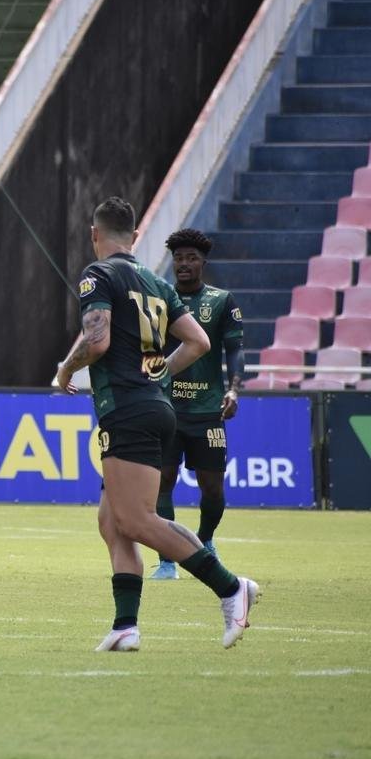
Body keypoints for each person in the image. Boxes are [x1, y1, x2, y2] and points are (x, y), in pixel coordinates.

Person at [56, 197, 260, 651]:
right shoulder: (157, 283)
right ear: (136, 237)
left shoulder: (99, 275)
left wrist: (67, 369)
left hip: (127, 406)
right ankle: (125, 625)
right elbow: (200, 341)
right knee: (113, 522)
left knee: (136, 518)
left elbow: (97, 340)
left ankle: (231, 588)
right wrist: (163, 371)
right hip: (154, 405)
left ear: (94, 233)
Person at [150, 229, 244, 580]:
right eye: (178, 258)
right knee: (162, 481)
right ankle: (167, 560)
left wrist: (234, 389)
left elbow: (235, 350)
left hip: (208, 411)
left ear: (203, 262)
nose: (184, 264)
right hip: (166, 408)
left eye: (191, 258)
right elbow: (148, 348)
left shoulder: (222, 301)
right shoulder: (159, 299)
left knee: (213, 488)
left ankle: (204, 542)